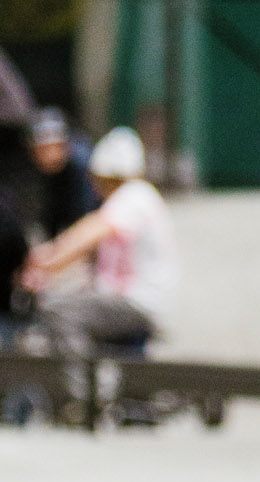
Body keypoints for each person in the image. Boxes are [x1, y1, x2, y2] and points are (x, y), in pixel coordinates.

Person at [18, 126, 177, 356]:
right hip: (128, 299)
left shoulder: (134, 195)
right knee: (72, 298)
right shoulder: (132, 198)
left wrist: (47, 261)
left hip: (137, 301)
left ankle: (82, 387)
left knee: (59, 311)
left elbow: (89, 233)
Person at [27, 107, 98, 241]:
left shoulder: (83, 166)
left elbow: (86, 216)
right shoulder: (50, 170)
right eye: (39, 149)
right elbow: (51, 213)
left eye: (49, 147)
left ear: (64, 145)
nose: (44, 154)